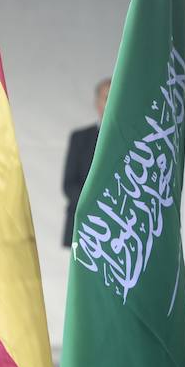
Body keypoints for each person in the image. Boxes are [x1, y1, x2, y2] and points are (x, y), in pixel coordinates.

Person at [61, 78, 109, 247]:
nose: (111, 102)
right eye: (107, 97)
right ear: (97, 103)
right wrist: (95, 206)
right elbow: (69, 184)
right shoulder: (80, 138)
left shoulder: (131, 140)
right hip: (84, 223)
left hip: (118, 229)